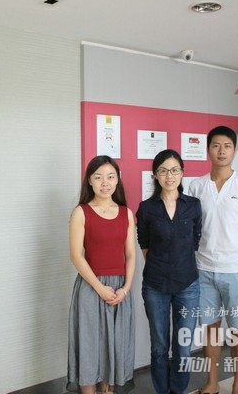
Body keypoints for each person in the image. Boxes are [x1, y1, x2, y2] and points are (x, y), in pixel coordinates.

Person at [187, 126, 238, 394]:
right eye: (216, 145)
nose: (222, 151)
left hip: (237, 271)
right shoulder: (196, 186)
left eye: (227, 146)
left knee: (237, 330)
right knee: (210, 329)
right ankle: (212, 383)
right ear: (208, 150)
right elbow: (192, 228)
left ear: (234, 150)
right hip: (204, 270)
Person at [67, 155, 137, 394]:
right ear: (89, 181)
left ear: (117, 180)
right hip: (90, 288)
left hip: (119, 290)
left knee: (115, 348)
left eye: (110, 177)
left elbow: (131, 255)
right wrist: (99, 288)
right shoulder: (81, 212)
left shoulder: (126, 213)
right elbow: (76, 256)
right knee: (90, 347)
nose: (105, 182)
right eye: (98, 177)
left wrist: (125, 289)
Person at [137, 149, 202, 394]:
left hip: (188, 285)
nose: (169, 175)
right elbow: (144, 243)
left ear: (182, 173)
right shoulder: (146, 208)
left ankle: (178, 390)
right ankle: (162, 390)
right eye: (163, 171)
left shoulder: (193, 205)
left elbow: (195, 239)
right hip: (156, 285)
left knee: (183, 346)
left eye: (174, 170)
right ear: (155, 175)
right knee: (159, 346)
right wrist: (162, 263)